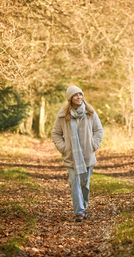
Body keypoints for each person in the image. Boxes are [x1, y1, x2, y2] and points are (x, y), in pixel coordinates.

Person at [51, 85, 104, 222]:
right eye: (75, 95)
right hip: (72, 156)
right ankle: (79, 212)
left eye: (80, 94)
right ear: (70, 98)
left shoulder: (90, 112)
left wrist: (94, 144)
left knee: (85, 184)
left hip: (87, 155)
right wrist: (64, 148)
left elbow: (99, 130)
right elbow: (56, 133)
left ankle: (84, 208)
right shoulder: (63, 114)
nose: (79, 97)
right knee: (75, 183)